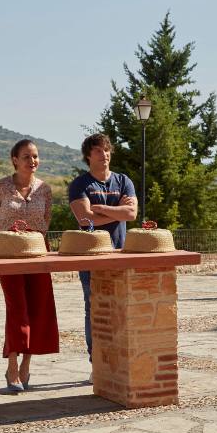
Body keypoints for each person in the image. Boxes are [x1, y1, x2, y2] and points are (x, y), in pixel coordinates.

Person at [0, 139, 60, 392]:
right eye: (26, 156)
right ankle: (12, 365)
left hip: (38, 253)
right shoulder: (0, 187)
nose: (32, 161)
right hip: (8, 255)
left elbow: (46, 220)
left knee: (39, 309)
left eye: (35, 156)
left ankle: (27, 363)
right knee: (17, 308)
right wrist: (3, 244)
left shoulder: (44, 189)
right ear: (15, 160)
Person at [68, 133, 138, 359]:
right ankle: (96, 359)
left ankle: (118, 357)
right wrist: (118, 211)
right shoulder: (80, 184)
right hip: (91, 256)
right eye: (98, 150)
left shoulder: (123, 181)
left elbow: (132, 214)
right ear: (88, 156)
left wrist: (101, 208)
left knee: (123, 306)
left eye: (106, 150)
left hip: (119, 254)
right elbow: (85, 220)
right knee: (94, 306)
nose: (104, 154)